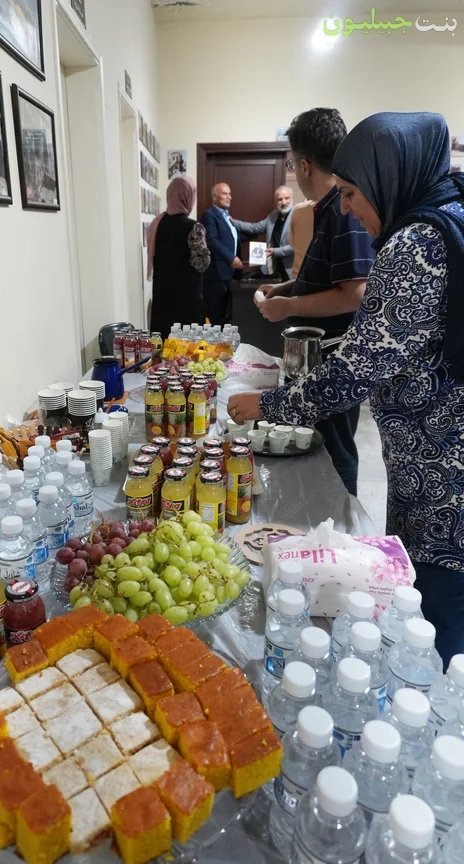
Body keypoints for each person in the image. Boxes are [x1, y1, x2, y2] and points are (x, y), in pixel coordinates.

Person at [228, 111, 464, 668]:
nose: (348, 209)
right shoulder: (451, 215)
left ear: (389, 178)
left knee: (433, 643)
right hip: (441, 462)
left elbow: (351, 374)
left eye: (354, 194)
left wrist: (266, 404)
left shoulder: (416, 245)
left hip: (441, 484)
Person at [255, 108, 375, 495]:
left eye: (293, 163)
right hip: (315, 362)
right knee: (315, 447)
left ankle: (340, 524)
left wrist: (289, 307)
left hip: (334, 362)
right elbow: (326, 277)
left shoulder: (343, 210)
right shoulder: (326, 208)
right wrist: (286, 289)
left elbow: (354, 294)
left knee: (335, 453)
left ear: (304, 165)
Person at [148, 174, 210, 339]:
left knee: (165, 345)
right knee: (188, 349)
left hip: (163, 299)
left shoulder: (156, 224)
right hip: (187, 301)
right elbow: (202, 264)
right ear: (189, 197)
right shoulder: (194, 227)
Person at [200, 182, 243, 325]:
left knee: (227, 317)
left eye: (230, 194)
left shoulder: (227, 217)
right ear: (214, 196)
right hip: (216, 276)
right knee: (216, 318)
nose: (229, 197)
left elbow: (232, 239)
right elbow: (211, 241)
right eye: (225, 193)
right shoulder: (209, 215)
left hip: (229, 275)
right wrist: (231, 258)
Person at [233, 185, 295, 282]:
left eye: (286, 198)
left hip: (292, 268)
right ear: (276, 202)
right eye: (280, 199)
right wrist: (233, 222)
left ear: (292, 199)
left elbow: (298, 246)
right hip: (276, 267)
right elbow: (255, 228)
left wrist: (276, 251)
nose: (283, 202)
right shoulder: (273, 216)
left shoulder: (298, 215)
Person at [289, 199, 315, 278]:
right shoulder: (334, 209)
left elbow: (291, 243)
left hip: (299, 273)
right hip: (322, 276)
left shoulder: (298, 209)